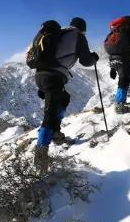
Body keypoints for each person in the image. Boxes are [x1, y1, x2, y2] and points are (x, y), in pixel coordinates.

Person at [34, 17, 99, 171]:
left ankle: (55, 132)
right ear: (83, 29)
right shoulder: (78, 36)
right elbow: (86, 61)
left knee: (64, 99)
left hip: (40, 76)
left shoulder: (60, 34)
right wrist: (94, 58)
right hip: (53, 77)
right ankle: (41, 154)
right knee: (50, 114)